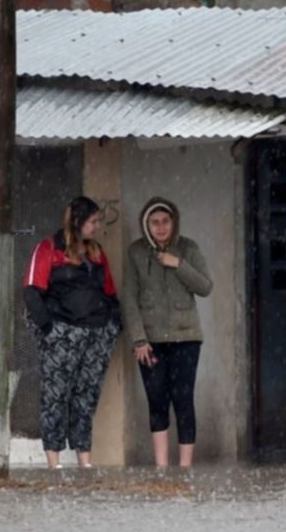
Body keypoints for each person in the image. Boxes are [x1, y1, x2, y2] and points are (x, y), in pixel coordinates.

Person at [22, 196, 122, 470]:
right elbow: (32, 291)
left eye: (98, 221)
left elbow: (110, 292)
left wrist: (113, 327)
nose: (97, 226)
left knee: (86, 396)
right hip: (62, 333)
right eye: (92, 221)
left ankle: (84, 460)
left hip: (96, 334)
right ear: (77, 222)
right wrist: (49, 330)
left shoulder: (96, 252)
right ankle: (54, 462)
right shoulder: (48, 249)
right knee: (55, 395)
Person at [120, 197, 212, 468]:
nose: (161, 227)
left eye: (165, 221)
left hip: (187, 338)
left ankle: (185, 468)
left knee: (183, 400)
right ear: (146, 224)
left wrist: (177, 264)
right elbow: (130, 299)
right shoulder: (136, 252)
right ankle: (161, 469)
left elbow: (206, 287)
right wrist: (139, 339)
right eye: (155, 222)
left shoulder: (188, 248)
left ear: (174, 222)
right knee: (157, 400)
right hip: (151, 342)